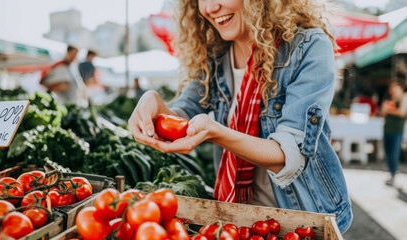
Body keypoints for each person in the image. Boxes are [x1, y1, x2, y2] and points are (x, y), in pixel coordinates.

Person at [128, 0, 352, 233]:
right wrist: (153, 103)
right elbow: (182, 116)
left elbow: (288, 156)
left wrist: (216, 133)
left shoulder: (309, 47)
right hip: (238, 220)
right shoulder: (216, 55)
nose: (210, 8)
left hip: (302, 219)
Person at [381, 82, 407, 187]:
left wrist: (389, 110)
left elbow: (401, 112)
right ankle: (392, 173)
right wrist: (385, 109)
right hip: (387, 129)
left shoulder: (404, 98)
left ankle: (393, 173)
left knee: (394, 153)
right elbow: (383, 113)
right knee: (387, 153)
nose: (392, 91)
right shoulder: (390, 100)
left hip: (396, 130)